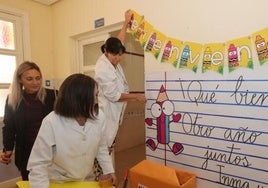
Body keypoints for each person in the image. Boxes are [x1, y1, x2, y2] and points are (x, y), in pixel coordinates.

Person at [27, 73, 116, 188]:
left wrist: (108, 170)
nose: (96, 101)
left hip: (85, 178)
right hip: (58, 180)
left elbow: (101, 146)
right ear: (79, 99)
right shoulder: (51, 122)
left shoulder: (99, 117)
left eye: (97, 95)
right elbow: (38, 165)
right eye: (94, 96)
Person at [94, 9, 147, 171]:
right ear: (105, 52)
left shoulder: (112, 56)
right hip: (107, 114)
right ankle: (102, 177)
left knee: (108, 148)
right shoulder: (102, 69)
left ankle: (107, 175)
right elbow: (115, 96)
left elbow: (119, 39)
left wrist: (125, 22)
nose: (117, 59)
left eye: (119, 55)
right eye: (114, 55)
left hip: (114, 114)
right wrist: (136, 96)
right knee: (104, 148)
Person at [0, 61, 57, 180]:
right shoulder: (13, 99)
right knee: (29, 182)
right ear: (20, 80)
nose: (36, 83)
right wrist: (8, 149)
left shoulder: (53, 95)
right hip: (26, 152)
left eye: (38, 78)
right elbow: (9, 127)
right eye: (30, 79)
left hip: (51, 151)